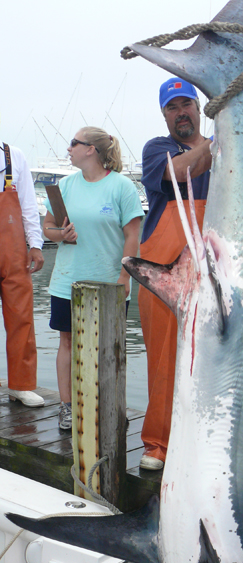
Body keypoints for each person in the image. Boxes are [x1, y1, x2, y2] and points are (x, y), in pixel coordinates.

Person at [43, 127, 144, 430]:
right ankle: (67, 407)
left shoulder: (121, 187)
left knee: (108, 349)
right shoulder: (64, 186)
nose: (69, 147)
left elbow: (133, 234)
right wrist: (60, 234)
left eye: (74, 143)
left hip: (110, 284)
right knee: (67, 342)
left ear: (91, 150)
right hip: (66, 282)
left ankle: (110, 406)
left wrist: (125, 277)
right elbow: (48, 227)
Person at [138, 77, 212, 470]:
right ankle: (158, 444)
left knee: (216, 357)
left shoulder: (224, 149)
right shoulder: (158, 149)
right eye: (172, 107)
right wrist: (217, 144)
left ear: (198, 108)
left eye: (187, 104)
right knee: (165, 358)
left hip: (213, 265)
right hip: (163, 267)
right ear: (164, 114)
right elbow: (178, 171)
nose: (181, 112)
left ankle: (204, 442)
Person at [0, 141, 44, 407]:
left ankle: (21, 385)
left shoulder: (13, 155)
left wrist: (36, 245)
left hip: (14, 251)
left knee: (21, 316)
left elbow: (28, 204)